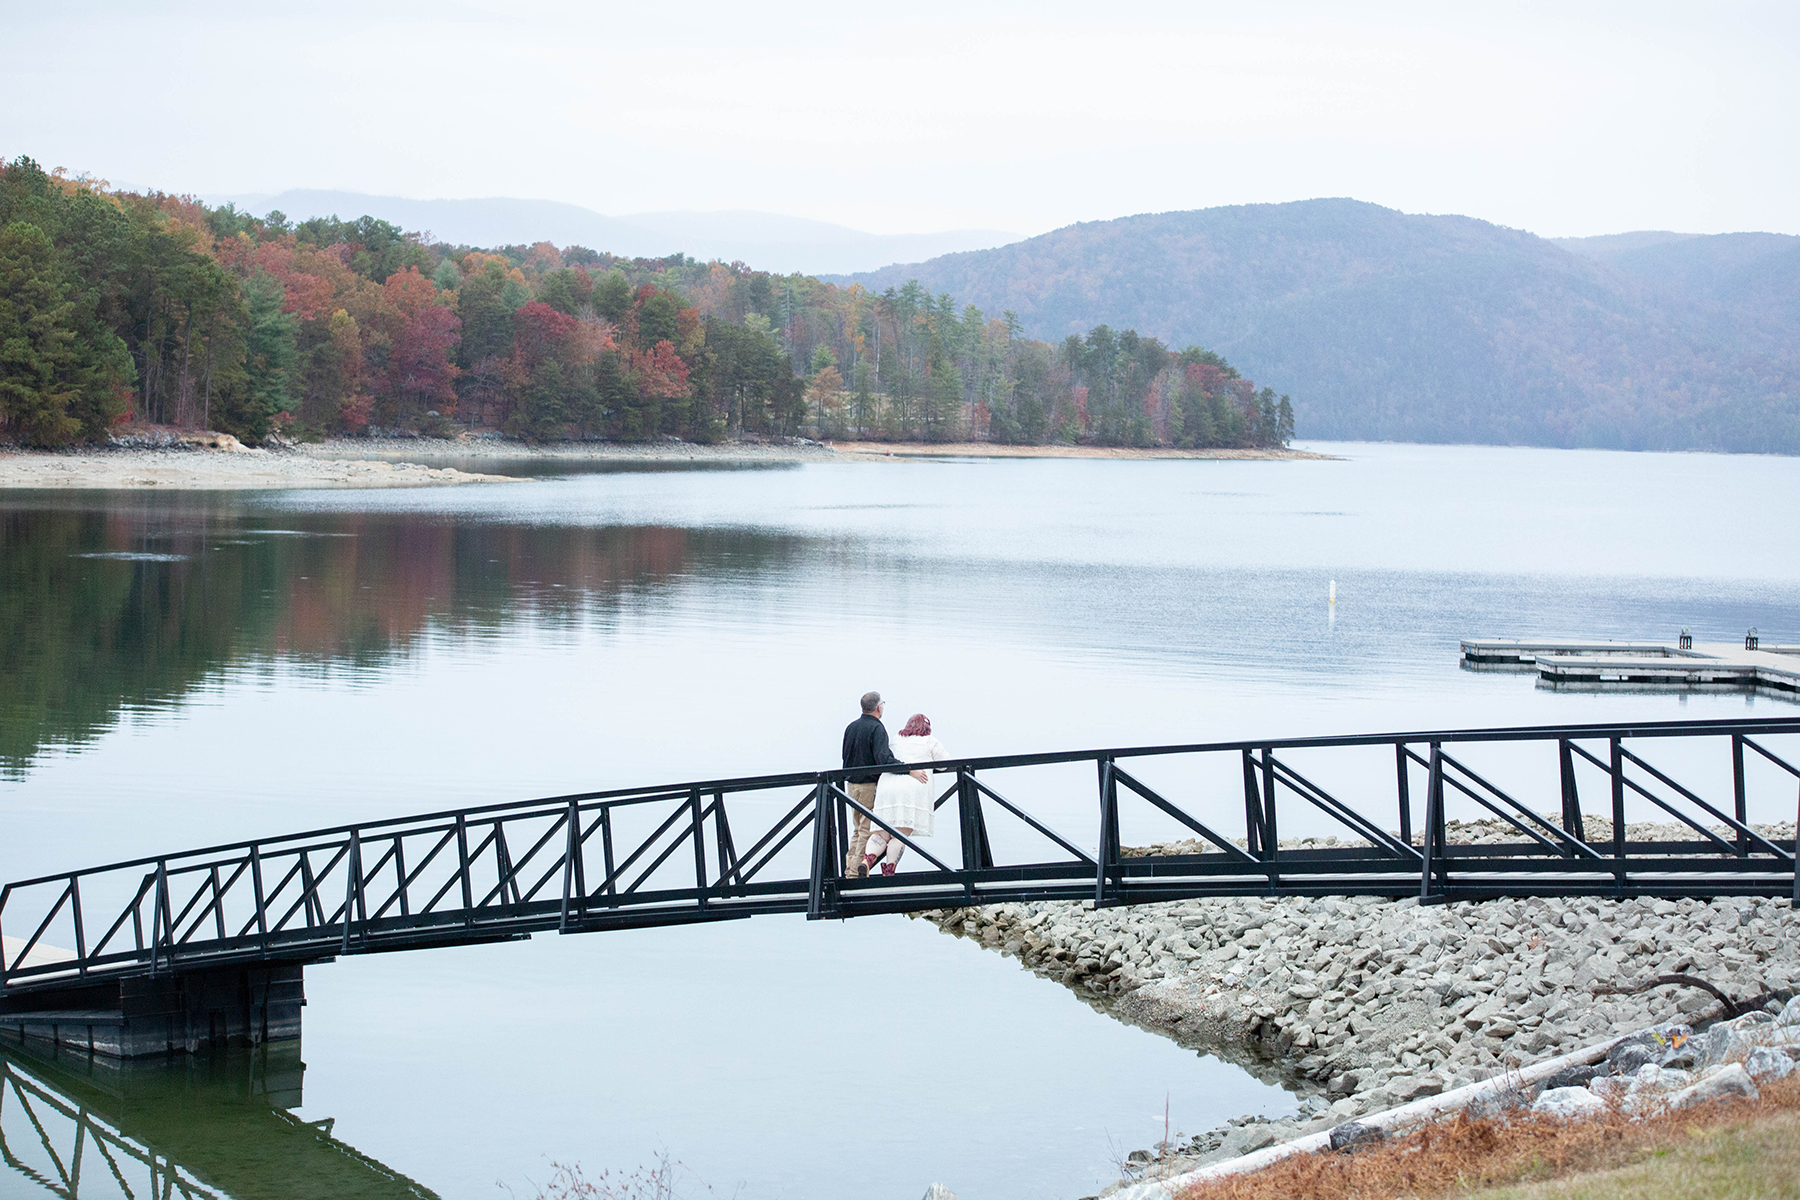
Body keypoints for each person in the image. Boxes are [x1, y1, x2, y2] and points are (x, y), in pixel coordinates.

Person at [841, 692, 928, 877]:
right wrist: (909, 770)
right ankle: (855, 876)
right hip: (868, 785)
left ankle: (849, 870)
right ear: (879, 707)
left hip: (851, 786)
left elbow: (845, 757)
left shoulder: (851, 727)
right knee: (866, 830)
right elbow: (883, 759)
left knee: (857, 830)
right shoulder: (876, 729)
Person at [863, 713, 949, 876]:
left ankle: (866, 861)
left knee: (881, 833)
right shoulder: (930, 741)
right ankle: (889, 871)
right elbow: (944, 763)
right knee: (899, 835)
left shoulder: (895, 739)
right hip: (911, 791)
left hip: (887, 787)